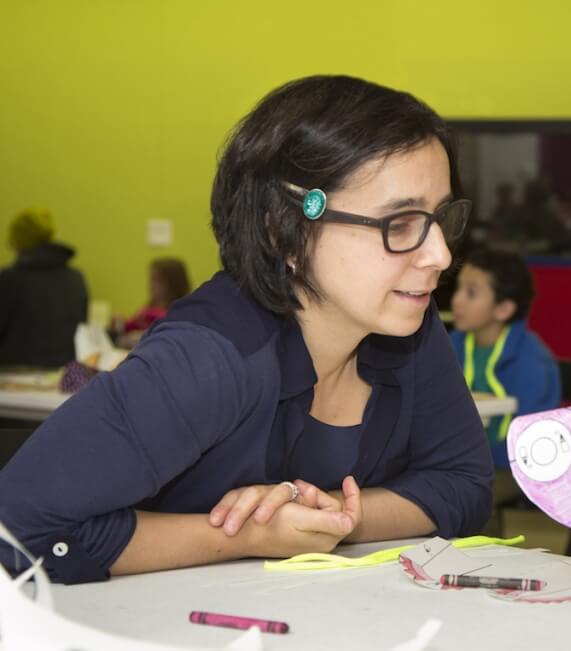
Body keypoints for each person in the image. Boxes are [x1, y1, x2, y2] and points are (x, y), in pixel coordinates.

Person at [0, 75, 493, 584]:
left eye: (440, 218)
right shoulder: (209, 357)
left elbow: (465, 485)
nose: (441, 255)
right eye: (402, 223)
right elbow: (17, 528)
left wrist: (331, 515)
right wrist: (250, 535)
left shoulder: (406, 324)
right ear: (284, 230)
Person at [449, 248, 562, 466]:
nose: (457, 300)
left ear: (503, 309)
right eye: (458, 288)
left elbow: (532, 442)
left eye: (471, 293)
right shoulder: (451, 344)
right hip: (458, 465)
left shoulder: (534, 362)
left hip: (508, 469)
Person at [0, 208, 88, 367]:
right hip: (64, 377)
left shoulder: (9, 280)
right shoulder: (75, 278)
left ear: (18, 241)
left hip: (14, 376)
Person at [112, 257, 191, 348]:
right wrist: (121, 323)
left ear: (173, 284)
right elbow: (131, 327)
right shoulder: (148, 308)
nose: (151, 285)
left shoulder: (179, 312)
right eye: (151, 279)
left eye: (157, 281)